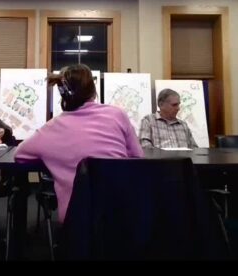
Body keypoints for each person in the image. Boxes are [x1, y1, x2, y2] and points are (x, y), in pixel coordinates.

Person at [14, 64, 143, 224]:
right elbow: (137, 157)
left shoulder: (51, 128)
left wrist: (55, 161)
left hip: (77, 221)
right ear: (93, 91)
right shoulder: (118, 114)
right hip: (123, 215)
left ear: (62, 94)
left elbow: (19, 155)